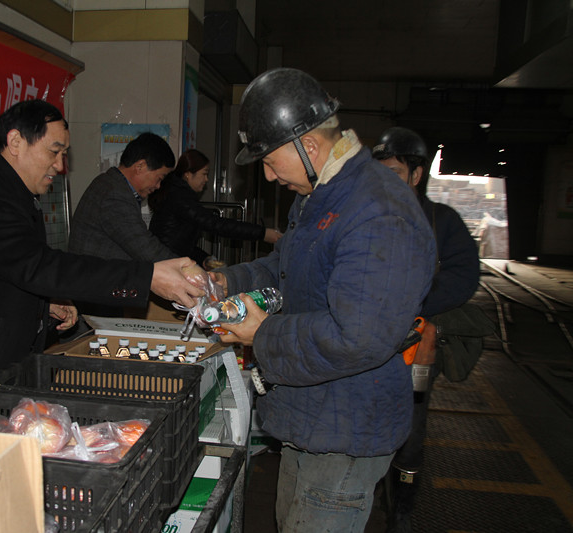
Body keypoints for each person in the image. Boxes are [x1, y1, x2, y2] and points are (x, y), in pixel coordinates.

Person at [209, 68, 437, 532]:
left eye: (270, 161)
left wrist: (263, 333)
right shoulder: (321, 193)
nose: (268, 175)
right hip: (311, 417)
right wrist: (221, 283)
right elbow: (284, 267)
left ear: (308, 146)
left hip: (347, 427)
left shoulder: (379, 210)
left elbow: (358, 336)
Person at [0, 101, 201, 378]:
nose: (60, 166)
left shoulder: (15, 193)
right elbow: (37, 266)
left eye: (64, 154)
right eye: (54, 151)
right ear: (16, 142)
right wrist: (145, 278)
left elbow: (5, 268)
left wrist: (42, 305)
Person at [372, 126, 480, 533]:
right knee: (365, 419)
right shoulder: (366, 217)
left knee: (411, 432)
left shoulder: (442, 221)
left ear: (416, 175)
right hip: (366, 343)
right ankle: (368, 489)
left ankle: (402, 507)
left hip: (415, 348)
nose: (385, 182)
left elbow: (464, 275)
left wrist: (413, 306)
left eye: (395, 173)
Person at [148, 148, 282, 268]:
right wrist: (262, 233)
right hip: (166, 264)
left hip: (168, 262)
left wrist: (204, 259)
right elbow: (216, 224)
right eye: (204, 174)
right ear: (188, 174)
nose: (206, 179)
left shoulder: (178, 193)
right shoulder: (180, 197)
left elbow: (181, 243)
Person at [68, 132, 178, 262]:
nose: (158, 186)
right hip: (95, 274)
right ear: (140, 166)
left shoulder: (111, 183)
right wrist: (187, 269)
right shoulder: (115, 195)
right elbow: (146, 249)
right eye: (159, 178)